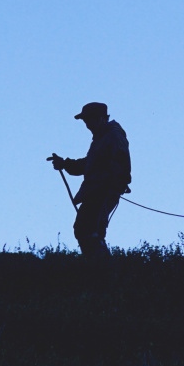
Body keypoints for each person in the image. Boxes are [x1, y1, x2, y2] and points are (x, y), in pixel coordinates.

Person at [50, 103, 131, 260]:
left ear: (101, 119)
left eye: (89, 120)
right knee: (87, 229)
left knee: (87, 229)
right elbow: (88, 164)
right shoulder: (100, 139)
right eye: (85, 121)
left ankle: (99, 266)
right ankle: (98, 266)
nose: (87, 125)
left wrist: (115, 185)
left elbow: (121, 161)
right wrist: (65, 164)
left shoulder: (113, 136)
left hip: (103, 190)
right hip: (95, 191)